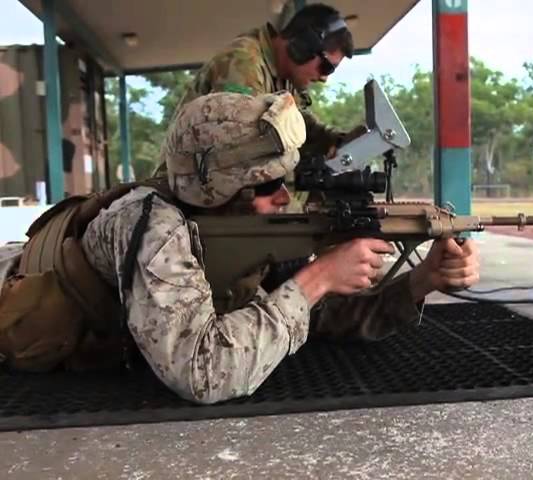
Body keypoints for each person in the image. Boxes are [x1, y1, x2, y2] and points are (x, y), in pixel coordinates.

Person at [0, 91, 480, 404]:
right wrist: (316, 279)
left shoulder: (226, 220)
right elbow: (201, 372)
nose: (283, 198)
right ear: (217, 190)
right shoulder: (154, 226)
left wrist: (420, 282)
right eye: (266, 186)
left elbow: (310, 318)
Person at [164, 2, 362, 163]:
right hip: (187, 190)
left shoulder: (286, 77)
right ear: (303, 46)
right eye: (326, 67)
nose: (324, 78)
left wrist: (333, 140)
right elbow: (242, 146)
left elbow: (296, 122)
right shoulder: (243, 62)